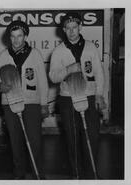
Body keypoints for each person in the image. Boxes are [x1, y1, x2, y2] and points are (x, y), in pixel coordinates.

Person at [49, 12, 106, 179]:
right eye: (68, 28)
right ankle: (77, 176)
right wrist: (68, 69)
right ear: (63, 30)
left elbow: (99, 73)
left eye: (75, 27)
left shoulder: (90, 47)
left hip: (89, 95)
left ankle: (92, 174)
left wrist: (99, 95)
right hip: (68, 98)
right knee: (72, 139)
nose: (72, 31)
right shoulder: (58, 51)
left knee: (92, 137)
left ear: (80, 27)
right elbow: (53, 76)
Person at [0, 20, 49, 179]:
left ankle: (39, 174)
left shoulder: (35, 54)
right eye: (13, 36)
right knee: (15, 142)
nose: (16, 40)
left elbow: (43, 81)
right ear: (9, 37)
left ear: (25, 36)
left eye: (20, 36)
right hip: (10, 102)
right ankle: (19, 174)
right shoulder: (4, 56)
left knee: (34, 141)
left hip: (32, 103)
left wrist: (44, 103)